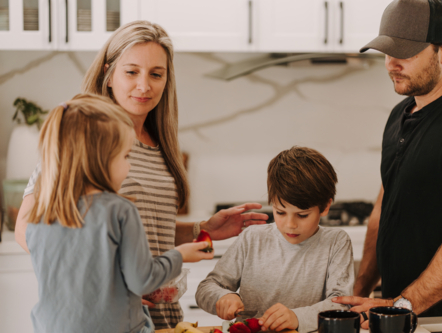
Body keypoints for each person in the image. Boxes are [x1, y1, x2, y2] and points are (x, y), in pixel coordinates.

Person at [15, 21, 269, 330]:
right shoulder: (85, 140)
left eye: (156, 74)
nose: (144, 86)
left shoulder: (161, 145)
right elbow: (29, 228)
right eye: (131, 72)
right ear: (109, 75)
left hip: (159, 319)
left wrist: (200, 230)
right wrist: (111, 286)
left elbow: (135, 229)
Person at [332, 0, 442, 325]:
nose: (391, 64)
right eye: (386, 52)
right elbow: (383, 210)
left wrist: (401, 306)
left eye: (405, 54)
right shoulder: (400, 115)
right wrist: (362, 289)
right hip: (397, 313)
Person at [26, 94, 213, 333]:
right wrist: (179, 255)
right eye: (126, 156)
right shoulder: (119, 209)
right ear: (101, 159)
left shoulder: (40, 214)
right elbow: (142, 280)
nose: (129, 165)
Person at [196, 146, 354, 333]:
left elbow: (342, 305)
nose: (290, 224)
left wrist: (297, 317)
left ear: (325, 206)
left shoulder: (336, 242)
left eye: (302, 215)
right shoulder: (252, 238)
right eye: (280, 212)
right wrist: (222, 297)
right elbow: (206, 288)